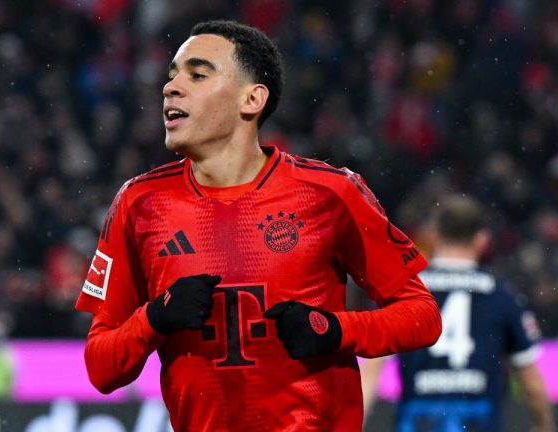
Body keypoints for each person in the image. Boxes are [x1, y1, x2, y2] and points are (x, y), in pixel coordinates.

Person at [74, 20, 441, 431]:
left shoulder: (330, 193)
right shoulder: (139, 204)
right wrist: (154, 319)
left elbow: (423, 316)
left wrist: (333, 328)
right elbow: (100, 367)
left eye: (196, 74)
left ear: (252, 99)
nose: (171, 87)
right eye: (172, 74)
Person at [361, 194, 554, 432]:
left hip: (418, 420)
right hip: (477, 421)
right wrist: (542, 426)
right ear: (482, 240)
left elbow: (371, 368)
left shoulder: (404, 292)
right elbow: (530, 380)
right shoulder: (502, 296)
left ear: (433, 234)